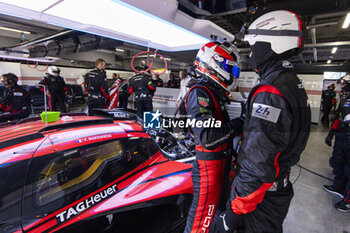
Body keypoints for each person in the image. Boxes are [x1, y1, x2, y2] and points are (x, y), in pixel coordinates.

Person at [214, 10, 311, 233]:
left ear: (272, 43)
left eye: (253, 46)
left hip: (259, 199)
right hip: (276, 190)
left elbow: (258, 164)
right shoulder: (291, 82)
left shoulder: (270, 90)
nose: (250, 55)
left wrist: (232, 214)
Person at [182, 41, 244, 233]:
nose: (231, 75)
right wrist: (241, 123)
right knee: (201, 224)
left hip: (220, 164)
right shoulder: (200, 92)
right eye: (228, 68)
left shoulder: (213, 92)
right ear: (213, 63)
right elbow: (208, 137)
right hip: (209, 168)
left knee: (217, 215)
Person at [324, 74, 350, 212]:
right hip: (342, 135)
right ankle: (338, 187)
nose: (342, 87)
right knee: (338, 161)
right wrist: (331, 133)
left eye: (344, 84)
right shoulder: (344, 98)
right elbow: (338, 116)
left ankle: (347, 202)